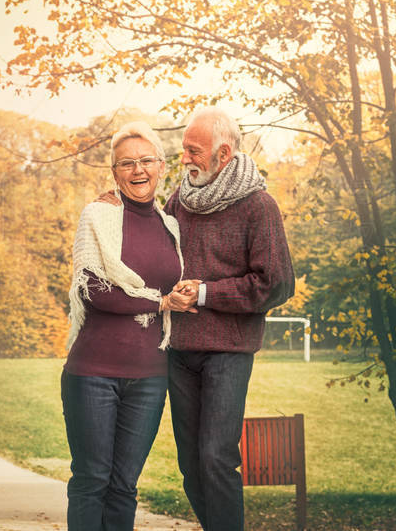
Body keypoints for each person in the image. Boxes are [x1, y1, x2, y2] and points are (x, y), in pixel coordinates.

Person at [102, 107, 295, 531]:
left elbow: (277, 285)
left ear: (223, 154)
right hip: (179, 350)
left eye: (193, 150)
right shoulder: (180, 199)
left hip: (228, 352)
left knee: (216, 459)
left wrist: (207, 293)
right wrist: (113, 208)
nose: (184, 158)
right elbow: (148, 237)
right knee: (191, 465)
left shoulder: (259, 206)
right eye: (184, 149)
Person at [63, 120, 186, 531]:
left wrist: (180, 297)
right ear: (114, 173)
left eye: (146, 160)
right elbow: (94, 289)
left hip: (151, 376)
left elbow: (172, 280)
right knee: (91, 480)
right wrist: (162, 301)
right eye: (127, 163)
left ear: (162, 166)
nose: (138, 170)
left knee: (124, 486)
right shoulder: (99, 215)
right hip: (93, 373)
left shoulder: (170, 226)